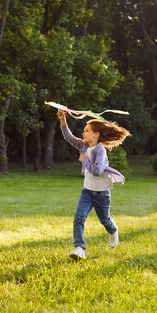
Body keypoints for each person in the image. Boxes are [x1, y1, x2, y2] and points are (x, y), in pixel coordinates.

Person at [57, 110, 131, 260]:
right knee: (79, 218)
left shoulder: (100, 151)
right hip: (87, 192)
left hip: (101, 193)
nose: (83, 134)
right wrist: (63, 120)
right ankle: (80, 248)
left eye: (86, 131)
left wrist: (84, 160)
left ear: (96, 134)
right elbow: (68, 137)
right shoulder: (83, 146)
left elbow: (97, 171)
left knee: (104, 220)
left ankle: (113, 230)